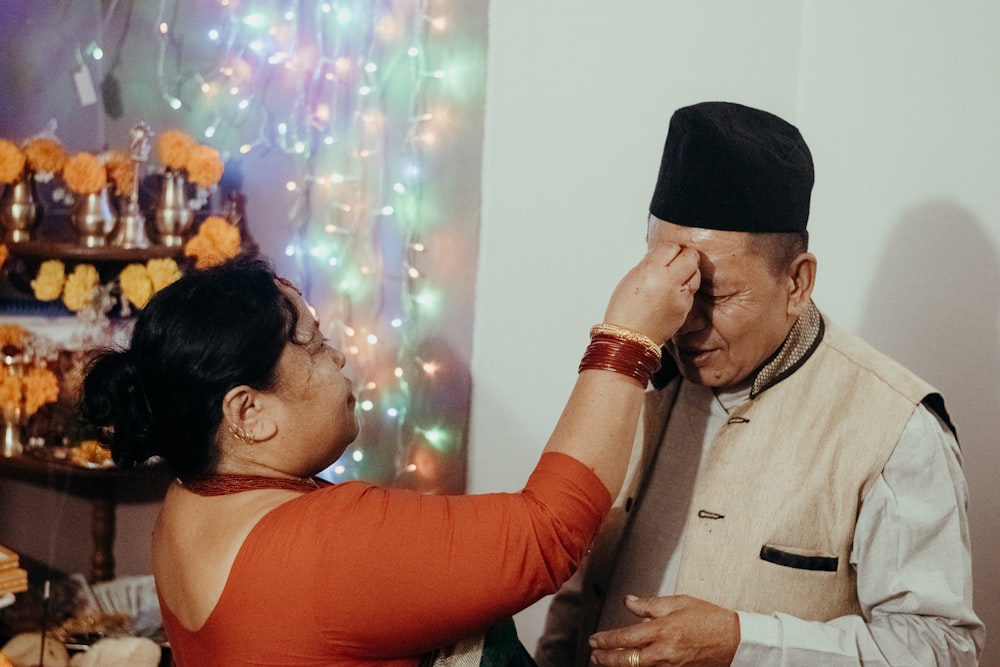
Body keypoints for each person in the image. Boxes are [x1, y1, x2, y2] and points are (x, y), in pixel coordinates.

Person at [79, 247, 700, 666]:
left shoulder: (189, 502)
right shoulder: (315, 545)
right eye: (314, 345)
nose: (339, 358)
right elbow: (547, 534)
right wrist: (629, 336)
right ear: (248, 413)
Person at [535, 101, 985, 667]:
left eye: (716, 296)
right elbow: (578, 597)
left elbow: (944, 650)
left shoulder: (898, 430)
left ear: (797, 283)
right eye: (674, 282)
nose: (685, 321)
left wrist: (740, 642)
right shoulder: (635, 381)